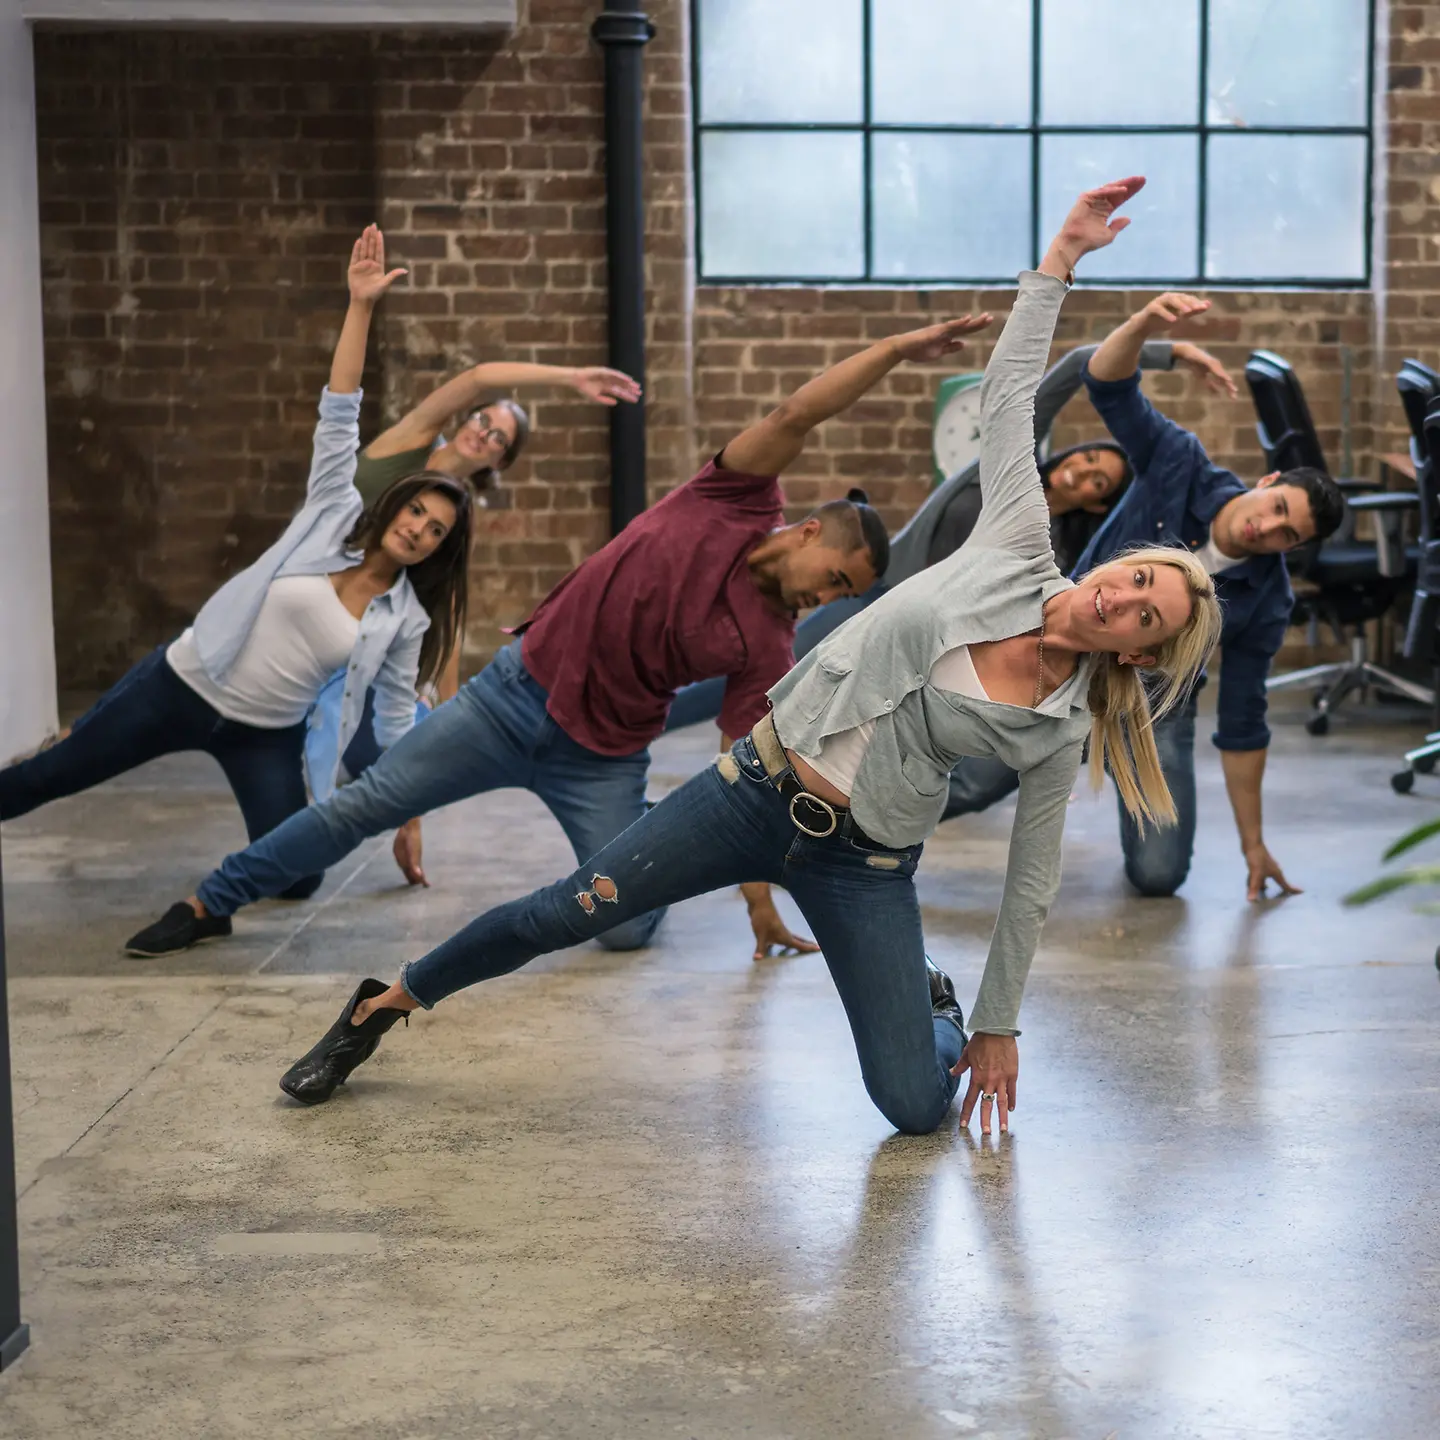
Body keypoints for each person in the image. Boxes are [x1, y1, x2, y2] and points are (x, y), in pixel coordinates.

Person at [274, 178, 1224, 1141]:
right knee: (563, 911)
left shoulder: (1060, 728)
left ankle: (927, 1011)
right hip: (747, 795)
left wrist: (995, 1022)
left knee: (914, 1107)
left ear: (1141, 655)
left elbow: (1032, 878)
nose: (1126, 598)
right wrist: (1059, 261)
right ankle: (380, 1010)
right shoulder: (1017, 543)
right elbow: (1013, 397)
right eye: (1139, 578)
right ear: (1123, 562)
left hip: (866, 864)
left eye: (1148, 616)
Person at [123, 309, 992, 961]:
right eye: (835, 580)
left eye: (845, 595)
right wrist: (893, 351)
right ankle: (212, 900)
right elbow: (801, 412)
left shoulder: (768, 645)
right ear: (807, 532)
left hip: (603, 758)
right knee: (365, 804)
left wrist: (761, 909)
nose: (828, 598)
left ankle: (638, 834)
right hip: (512, 696)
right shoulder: (733, 497)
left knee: (626, 928)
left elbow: (749, 774)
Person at [0, 226, 470, 907]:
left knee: (297, 877)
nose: (418, 530)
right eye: (416, 513)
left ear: (439, 548)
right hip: (185, 684)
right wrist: (361, 306)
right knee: (49, 777)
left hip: (264, 734)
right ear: (396, 502)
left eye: (435, 530)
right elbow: (339, 412)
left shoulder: (406, 616)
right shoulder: (333, 512)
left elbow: (395, 722)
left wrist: (411, 816)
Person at [944, 292, 1348, 902]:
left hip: (1152, 705)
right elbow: (1107, 384)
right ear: (1267, 483)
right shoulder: (1179, 462)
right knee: (969, 788)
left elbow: (1243, 723)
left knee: (1158, 875)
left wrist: (1253, 844)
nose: (1267, 528)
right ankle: (835, 823)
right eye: (1277, 508)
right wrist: (1146, 325)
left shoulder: (1268, 599)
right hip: (1064, 659)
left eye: (1287, 534)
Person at [663, 333, 1235, 732]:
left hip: (923, 640)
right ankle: (658, 718)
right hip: (880, 594)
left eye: (1098, 484)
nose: (1084, 473)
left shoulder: (1040, 541)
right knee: (780, 681)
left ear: (1095, 502)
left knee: (808, 711)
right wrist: (1171, 351)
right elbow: (1076, 368)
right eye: (1089, 461)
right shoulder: (1012, 471)